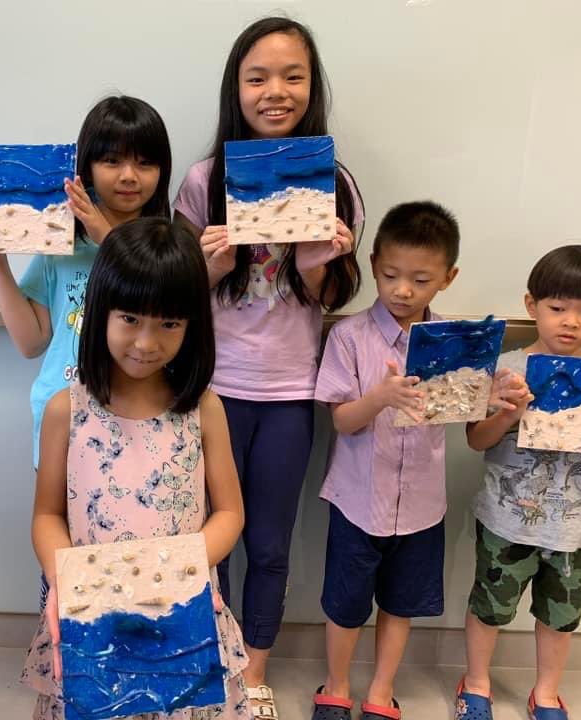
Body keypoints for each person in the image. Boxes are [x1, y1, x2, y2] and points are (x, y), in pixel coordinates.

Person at [173, 17, 364, 716]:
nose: (275, 91)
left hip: (289, 392)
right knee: (207, 539)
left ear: (312, 89)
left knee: (270, 543)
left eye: (292, 77)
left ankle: (253, 671)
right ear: (236, 88)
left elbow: (335, 299)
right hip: (211, 392)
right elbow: (175, 300)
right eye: (257, 77)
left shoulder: (334, 184)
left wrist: (318, 263)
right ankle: (210, 659)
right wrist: (206, 266)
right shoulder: (204, 181)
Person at [21, 217, 251, 719]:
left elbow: (230, 512)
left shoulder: (203, 409)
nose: (146, 342)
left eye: (169, 323)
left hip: (181, 612)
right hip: (93, 618)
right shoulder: (67, 409)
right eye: (130, 319)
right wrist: (72, 580)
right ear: (100, 311)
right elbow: (46, 515)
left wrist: (174, 573)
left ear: (192, 326)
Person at [455, 245, 581, 720]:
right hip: (508, 519)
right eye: (557, 308)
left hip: (578, 524)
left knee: (561, 616)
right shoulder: (508, 368)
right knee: (490, 606)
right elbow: (476, 441)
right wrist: (510, 411)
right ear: (532, 306)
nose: (570, 322)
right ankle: (476, 682)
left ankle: (546, 692)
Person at [0, 95, 172, 472]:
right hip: (63, 416)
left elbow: (154, 292)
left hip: (139, 419)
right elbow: (31, 342)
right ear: (87, 167)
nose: (128, 175)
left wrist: (105, 236)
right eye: (111, 161)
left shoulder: (167, 247)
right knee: (58, 526)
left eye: (145, 163)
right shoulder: (61, 242)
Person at [312, 202, 460, 720]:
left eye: (420, 280)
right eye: (392, 275)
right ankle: (335, 685)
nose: (403, 290)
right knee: (346, 603)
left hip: (422, 502)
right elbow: (342, 421)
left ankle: (381, 689)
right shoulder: (349, 336)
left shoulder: (452, 343)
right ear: (374, 264)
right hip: (358, 498)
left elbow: (466, 413)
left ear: (447, 278)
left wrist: (496, 392)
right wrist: (381, 396)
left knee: (400, 603)